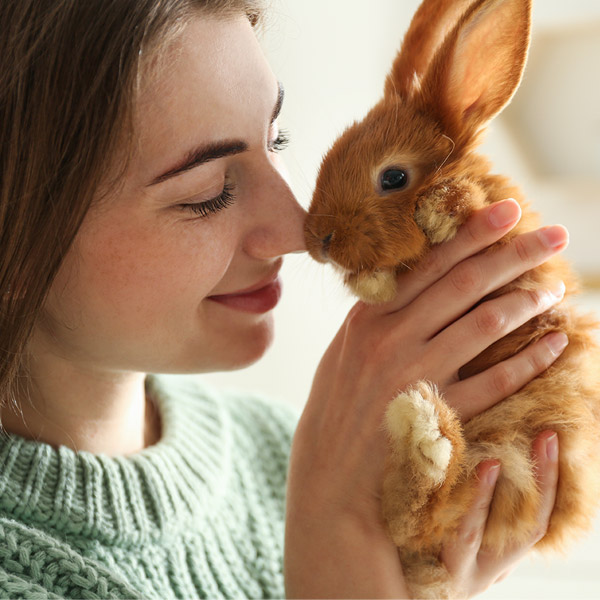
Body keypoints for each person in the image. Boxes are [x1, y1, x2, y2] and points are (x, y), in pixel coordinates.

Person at [0, 0, 568, 598]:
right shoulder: (328, 481)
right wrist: (336, 536)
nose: (298, 229)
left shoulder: (285, 449)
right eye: (207, 192)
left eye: (276, 140)